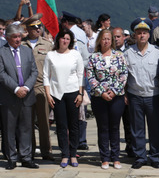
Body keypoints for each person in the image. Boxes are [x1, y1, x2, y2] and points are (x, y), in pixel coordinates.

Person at [0, 23, 40, 169]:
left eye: (19, 36)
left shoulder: (27, 51)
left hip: (26, 96)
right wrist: (15, 89)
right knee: (9, 129)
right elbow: (1, 74)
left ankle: (26, 157)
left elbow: (34, 72)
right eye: (14, 37)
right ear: (7, 38)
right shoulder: (1, 53)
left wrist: (25, 87)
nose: (18, 39)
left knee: (26, 128)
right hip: (9, 96)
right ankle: (11, 158)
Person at [124, 19, 159, 169]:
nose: (142, 35)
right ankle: (140, 156)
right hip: (135, 94)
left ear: (149, 35)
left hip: (153, 95)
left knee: (155, 127)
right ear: (135, 35)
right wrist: (124, 93)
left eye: (145, 33)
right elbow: (124, 76)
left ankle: (154, 156)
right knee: (137, 128)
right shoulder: (128, 53)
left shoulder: (157, 52)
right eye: (139, 33)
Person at [85, 29, 128, 169]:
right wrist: (102, 92)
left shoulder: (119, 56)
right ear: (99, 40)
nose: (106, 41)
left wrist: (114, 91)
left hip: (117, 97)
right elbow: (90, 77)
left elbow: (124, 75)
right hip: (99, 97)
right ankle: (104, 157)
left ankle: (115, 157)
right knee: (103, 127)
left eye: (109, 39)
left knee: (114, 127)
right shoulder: (94, 57)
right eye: (104, 39)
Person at [43, 28, 85, 168]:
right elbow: (46, 76)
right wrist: (48, 95)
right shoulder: (51, 55)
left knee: (74, 125)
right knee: (61, 126)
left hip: (73, 92)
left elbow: (80, 75)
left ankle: (73, 154)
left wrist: (80, 93)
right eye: (63, 38)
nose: (65, 41)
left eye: (68, 39)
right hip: (57, 94)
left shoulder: (75, 54)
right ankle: (64, 154)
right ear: (58, 39)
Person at [24, 18, 56, 162]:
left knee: (44, 121)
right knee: (27, 121)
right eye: (34, 28)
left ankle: (46, 150)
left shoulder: (47, 44)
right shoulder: (22, 43)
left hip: (42, 87)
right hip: (26, 87)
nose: (37, 30)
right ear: (28, 29)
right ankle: (29, 150)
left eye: (39, 27)